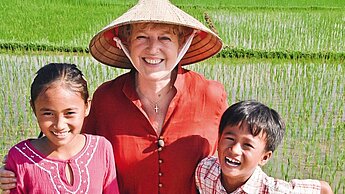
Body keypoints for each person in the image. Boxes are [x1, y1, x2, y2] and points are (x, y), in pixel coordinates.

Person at [1, 0, 227, 193]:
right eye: (142, 37)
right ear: (125, 43)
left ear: (182, 44)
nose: (153, 48)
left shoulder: (211, 95)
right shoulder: (106, 99)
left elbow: (232, 157)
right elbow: (68, 145)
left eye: (165, 38)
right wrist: (16, 168)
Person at [3, 63, 119, 193]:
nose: (59, 125)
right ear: (33, 108)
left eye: (69, 113)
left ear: (87, 107)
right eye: (48, 113)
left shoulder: (101, 149)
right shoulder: (20, 158)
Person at [195, 100, 333, 194]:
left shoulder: (273, 190)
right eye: (230, 139)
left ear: (265, 157)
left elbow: (324, 189)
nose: (235, 149)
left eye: (247, 145)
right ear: (218, 141)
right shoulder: (205, 171)